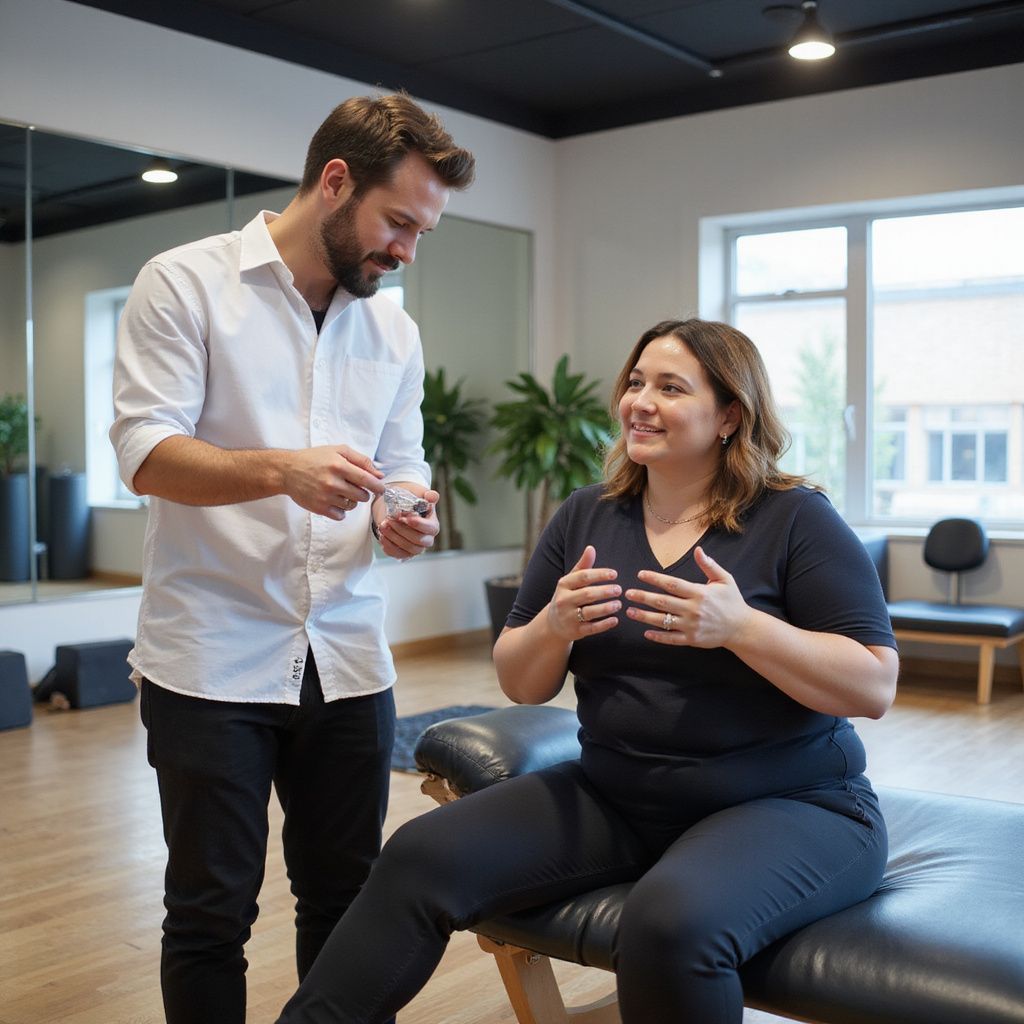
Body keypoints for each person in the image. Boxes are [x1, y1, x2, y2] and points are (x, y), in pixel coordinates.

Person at [274, 318, 899, 1024]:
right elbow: (521, 680)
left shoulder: (794, 519)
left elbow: (873, 685)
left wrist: (743, 628)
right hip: (617, 794)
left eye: (670, 387)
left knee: (669, 923)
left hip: (793, 805)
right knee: (420, 856)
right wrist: (553, 626)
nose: (641, 401)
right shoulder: (587, 515)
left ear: (730, 415)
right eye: (636, 383)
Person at [109, 93, 475, 1024]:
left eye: (422, 232)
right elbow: (145, 453)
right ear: (335, 182)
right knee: (208, 914)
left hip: (348, 657)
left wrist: (408, 515)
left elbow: (403, 467)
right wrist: (280, 470)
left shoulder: (393, 329)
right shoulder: (183, 283)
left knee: (352, 909)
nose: (406, 251)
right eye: (399, 223)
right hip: (210, 657)